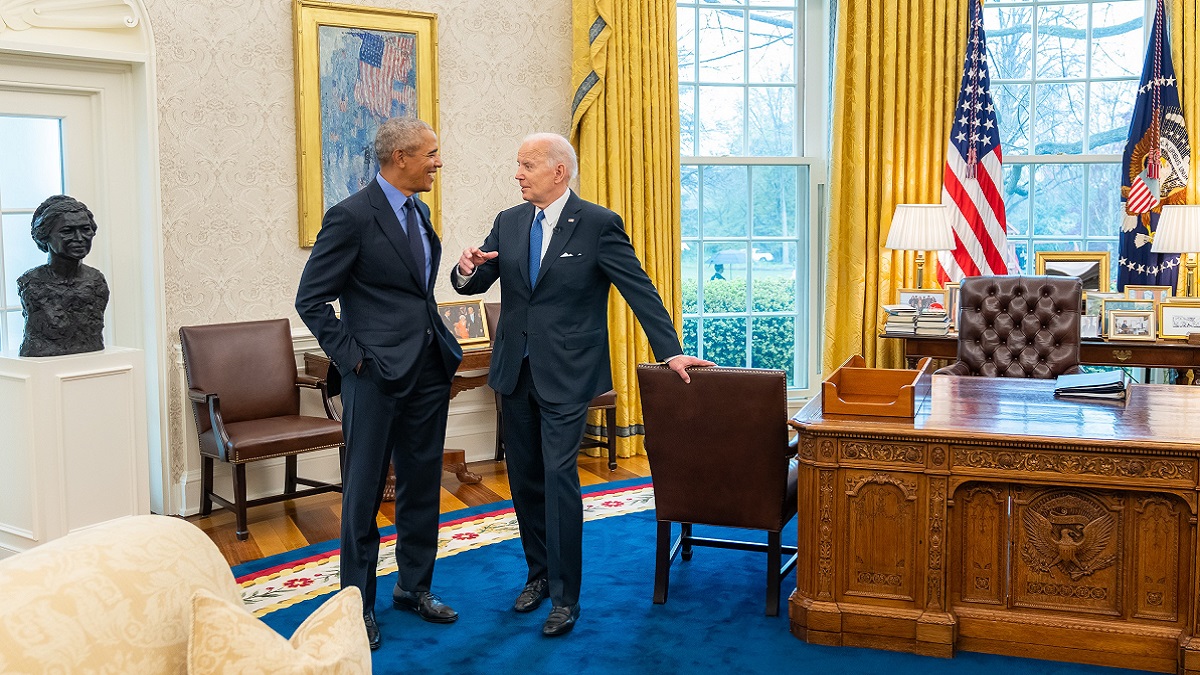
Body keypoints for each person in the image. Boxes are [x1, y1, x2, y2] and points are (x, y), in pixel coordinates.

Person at [452, 132, 714, 637]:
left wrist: (670, 349)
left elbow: (639, 288)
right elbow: (475, 281)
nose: (518, 174)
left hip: (569, 374)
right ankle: (537, 575)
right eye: (518, 164)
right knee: (524, 479)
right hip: (514, 371)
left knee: (558, 476)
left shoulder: (597, 224)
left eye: (527, 165)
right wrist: (464, 270)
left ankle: (565, 598)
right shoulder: (508, 222)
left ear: (559, 171)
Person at [295, 117, 462, 651]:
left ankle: (414, 589)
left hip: (429, 370)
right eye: (431, 154)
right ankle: (357, 603)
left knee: (421, 485)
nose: (438, 162)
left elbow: (415, 294)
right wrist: (356, 360)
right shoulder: (350, 217)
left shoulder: (422, 211)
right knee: (363, 494)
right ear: (400, 158)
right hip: (376, 378)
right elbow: (312, 300)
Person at [18, 195, 109, 357]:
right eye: (67, 231)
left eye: (85, 229)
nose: (80, 238)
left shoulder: (96, 281)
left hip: (90, 361)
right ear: (45, 236)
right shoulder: (31, 283)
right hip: (43, 365)